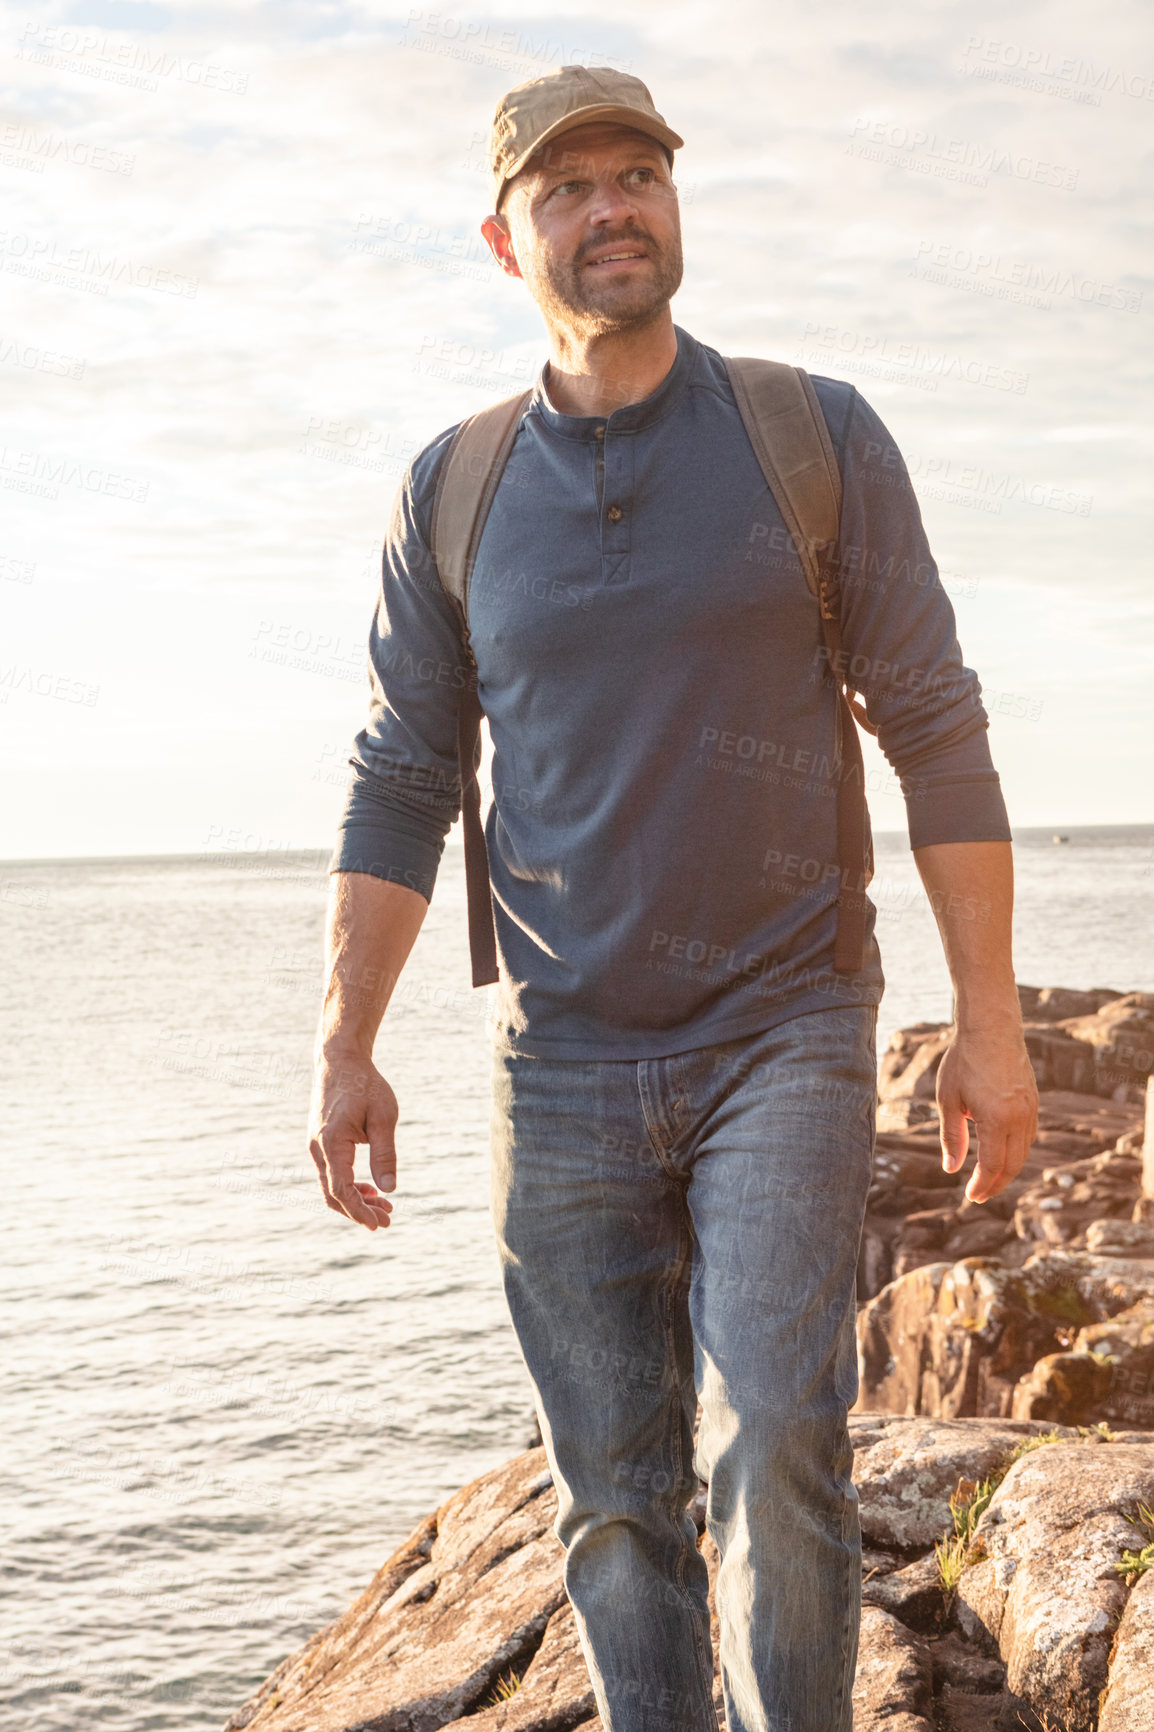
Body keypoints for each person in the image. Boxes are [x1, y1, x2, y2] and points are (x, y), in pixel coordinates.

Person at [308, 64, 1039, 1732]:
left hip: (784, 1023)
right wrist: (343, 1041)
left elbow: (936, 725)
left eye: (637, 172)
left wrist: (989, 1025)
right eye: (568, 188)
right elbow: (403, 777)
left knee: (774, 1428)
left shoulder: (809, 437)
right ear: (507, 242)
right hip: (553, 1056)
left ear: (674, 204)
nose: (613, 205)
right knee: (615, 1493)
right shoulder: (454, 488)